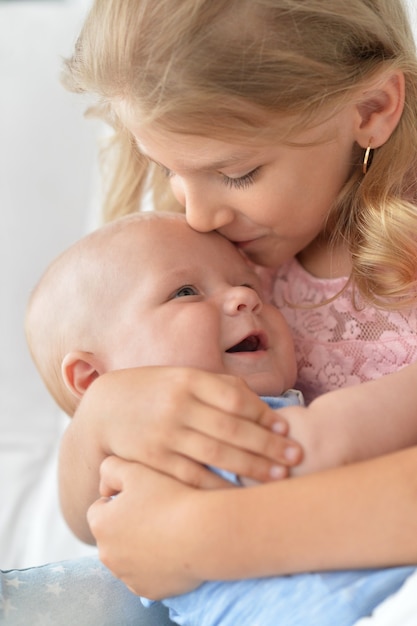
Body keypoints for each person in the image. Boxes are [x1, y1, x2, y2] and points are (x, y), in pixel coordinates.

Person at [58, 0, 417, 616]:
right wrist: (99, 422)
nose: (197, 216)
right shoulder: (223, 264)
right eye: (166, 168)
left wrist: (202, 534)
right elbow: (94, 525)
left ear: (371, 109)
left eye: (238, 171)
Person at [25, 211, 414, 626]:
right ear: (94, 377)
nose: (246, 298)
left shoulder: (131, 489)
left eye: (250, 285)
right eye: (186, 292)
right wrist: (97, 419)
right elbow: (323, 444)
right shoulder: (178, 448)